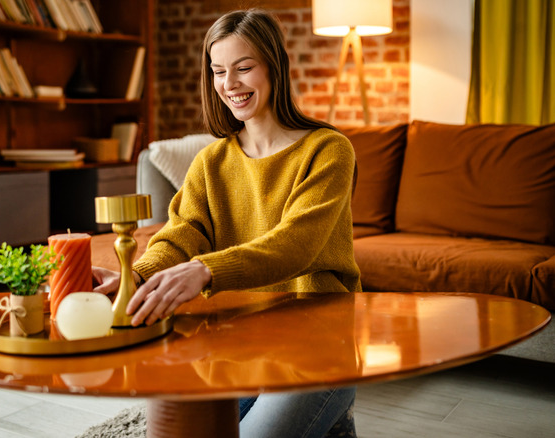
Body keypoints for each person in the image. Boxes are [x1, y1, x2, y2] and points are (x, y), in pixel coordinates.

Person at [93, 8, 360, 438]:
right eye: (218, 71)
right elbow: (181, 235)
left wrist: (206, 270)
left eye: (243, 68)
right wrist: (135, 277)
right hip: (239, 344)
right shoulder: (211, 161)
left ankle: (330, 415)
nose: (229, 84)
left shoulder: (329, 150)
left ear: (274, 66)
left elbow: (296, 244)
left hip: (320, 345)